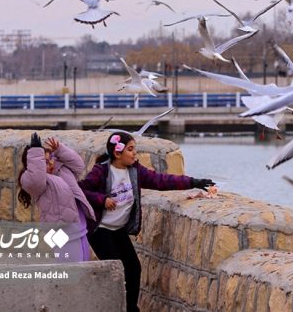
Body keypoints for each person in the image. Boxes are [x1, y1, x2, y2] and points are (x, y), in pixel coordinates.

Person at [79, 131, 215, 312]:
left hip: (118, 229)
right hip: (100, 230)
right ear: (117, 153)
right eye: (130, 149)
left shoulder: (135, 171)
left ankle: (130, 308)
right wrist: (102, 199)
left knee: (133, 268)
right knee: (116, 270)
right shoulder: (101, 171)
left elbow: (161, 180)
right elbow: (81, 191)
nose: (135, 153)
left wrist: (194, 182)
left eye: (135, 149)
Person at [17, 132, 95, 262]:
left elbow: (79, 165)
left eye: (51, 158)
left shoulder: (61, 170)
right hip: (63, 232)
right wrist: (36, 153)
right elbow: (36, 178)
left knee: (84, 266)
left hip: (79, 228)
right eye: (45, 162)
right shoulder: (34, 180)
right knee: (72, 270)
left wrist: (59, 150)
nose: (51, 163)